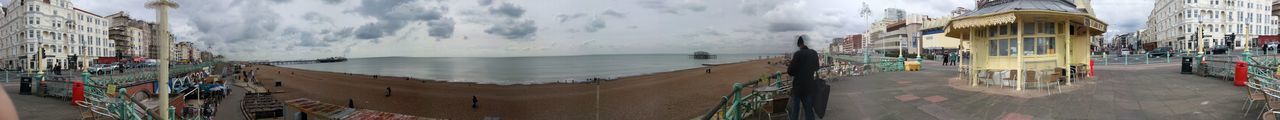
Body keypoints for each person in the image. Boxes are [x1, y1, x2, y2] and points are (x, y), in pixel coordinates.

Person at [787, 35, 820, 120]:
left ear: (799, 44)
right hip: (809, 87)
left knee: (795, 112)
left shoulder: (798, 54)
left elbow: (790, 72)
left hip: (798, 88)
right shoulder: (814, 53)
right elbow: (817, 68)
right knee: (809, 111)